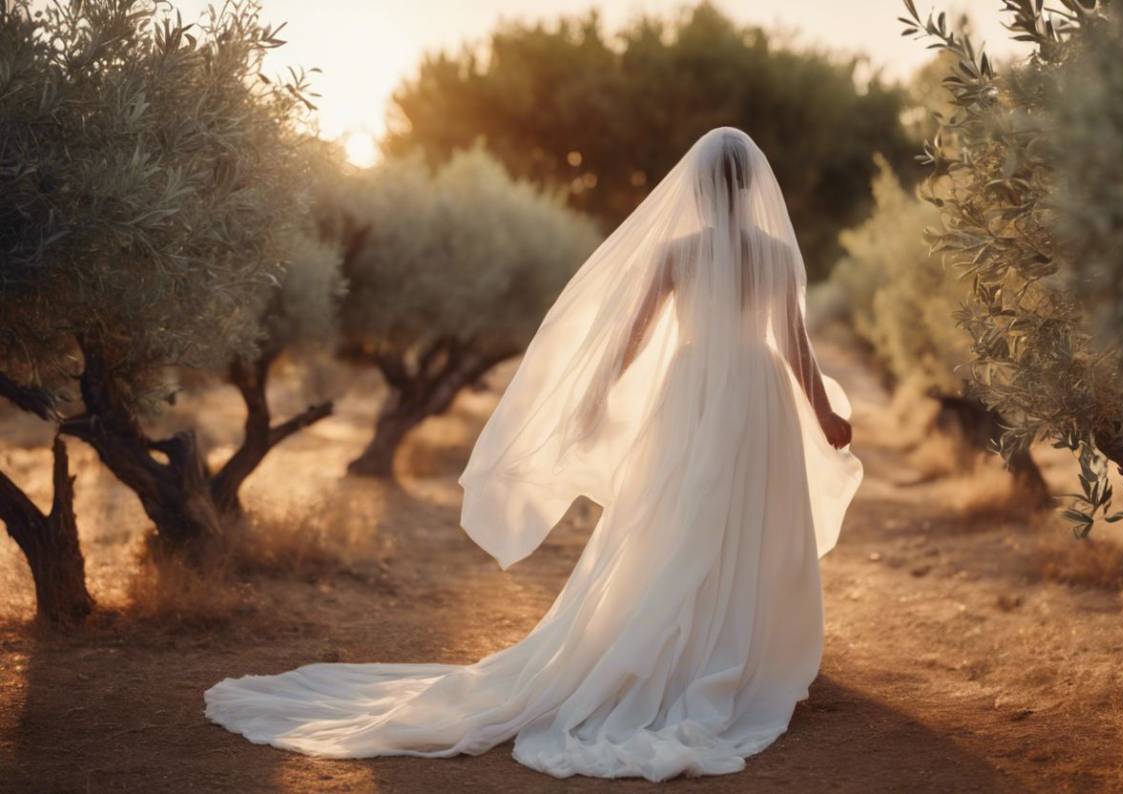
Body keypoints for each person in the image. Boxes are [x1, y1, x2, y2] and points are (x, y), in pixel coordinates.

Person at [205, 126, 863, 782]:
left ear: (695, 185)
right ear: (750, 185)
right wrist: (825, 411)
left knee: (679, 520)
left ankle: (693, 646)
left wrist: (594, 397)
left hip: (691, 391)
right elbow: (794, 347)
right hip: (760, 390)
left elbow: (631, 338)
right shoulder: (776, 254)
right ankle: (737, 650)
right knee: (750, 517)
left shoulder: (678, 252)